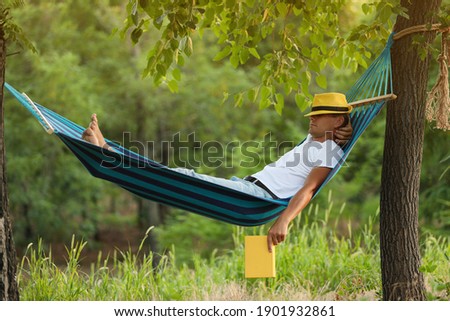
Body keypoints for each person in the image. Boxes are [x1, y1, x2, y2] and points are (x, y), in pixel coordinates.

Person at [82, 92, 353, 252]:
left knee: (183, 177)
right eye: (312, 115)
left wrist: (284, 221)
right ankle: (107, 150)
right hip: (247, 187)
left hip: (256, 199)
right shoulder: (315, 139)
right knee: (172, 177)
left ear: (338, 119)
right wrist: (342, 128)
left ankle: (106, 153)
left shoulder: (329, 151)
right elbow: (333, 128)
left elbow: (309, 189)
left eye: (320, 115)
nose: (312, 119)